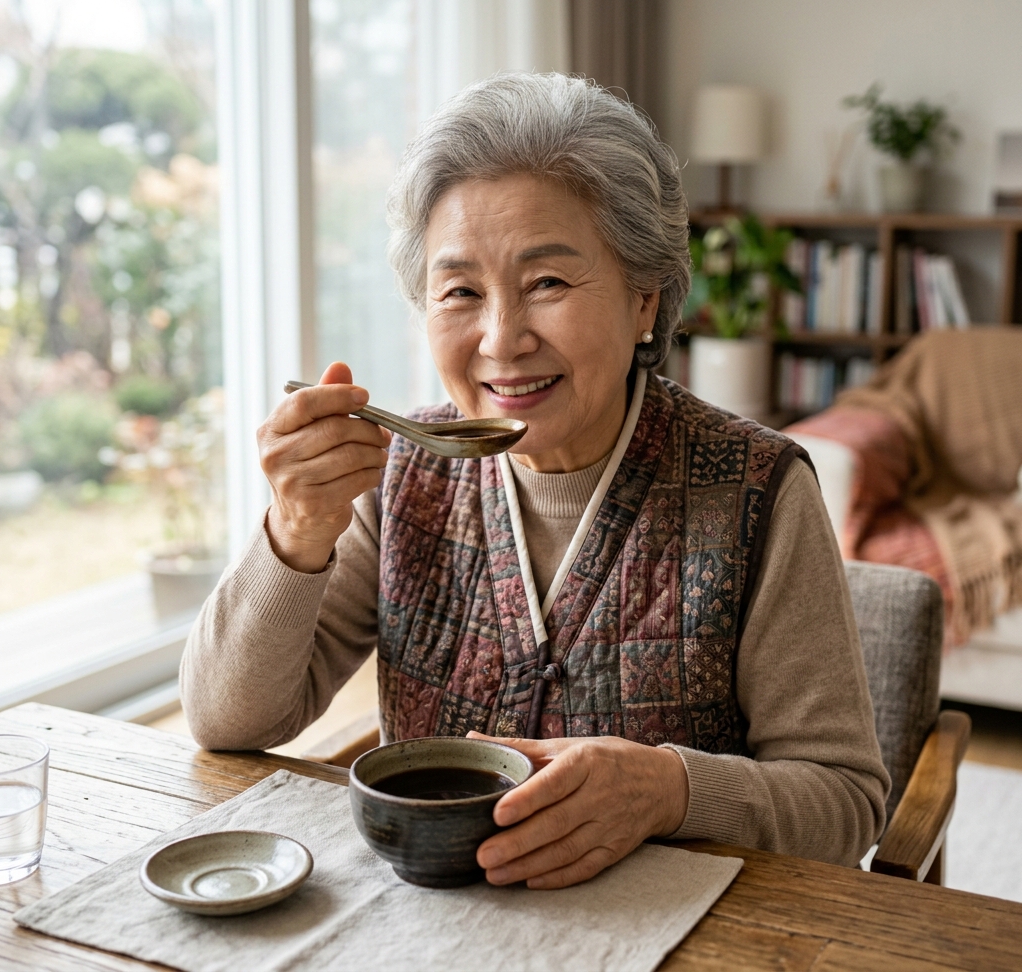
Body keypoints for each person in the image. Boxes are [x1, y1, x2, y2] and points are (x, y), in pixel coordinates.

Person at [181, 72, 889, 890]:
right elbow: (229, 723)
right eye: (460, 292)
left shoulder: (757, 489)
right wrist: (296, 532)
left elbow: (843, 803)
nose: (501, 339)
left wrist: (671, 790)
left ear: (644, 301)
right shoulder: (402, 475)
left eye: (547, 282)